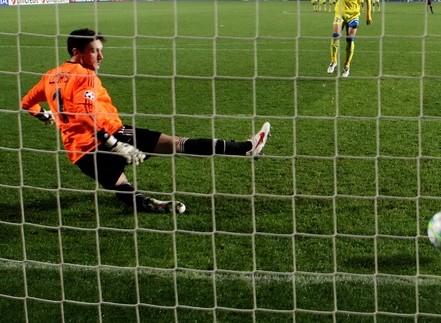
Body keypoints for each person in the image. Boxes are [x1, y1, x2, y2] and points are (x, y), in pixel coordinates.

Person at [21, 29, 271, 214]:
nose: (101, 56)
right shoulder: (84, 75)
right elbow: (85, 114)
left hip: (78, 152)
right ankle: (245, 149)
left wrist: (42, 114)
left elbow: (26, 103)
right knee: (176, 144)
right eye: (94, 51)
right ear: (76, 52)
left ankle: (151, 204)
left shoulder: (49, 76)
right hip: (112, 134)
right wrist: (113, 143)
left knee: (119, 184)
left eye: (101, 50)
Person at [301, 0, 372, 78]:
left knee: (350, 40)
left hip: (353, 15)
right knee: (335, 35)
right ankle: (333, 61)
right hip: (340, 13)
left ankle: (347, 66)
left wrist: (368, 15)